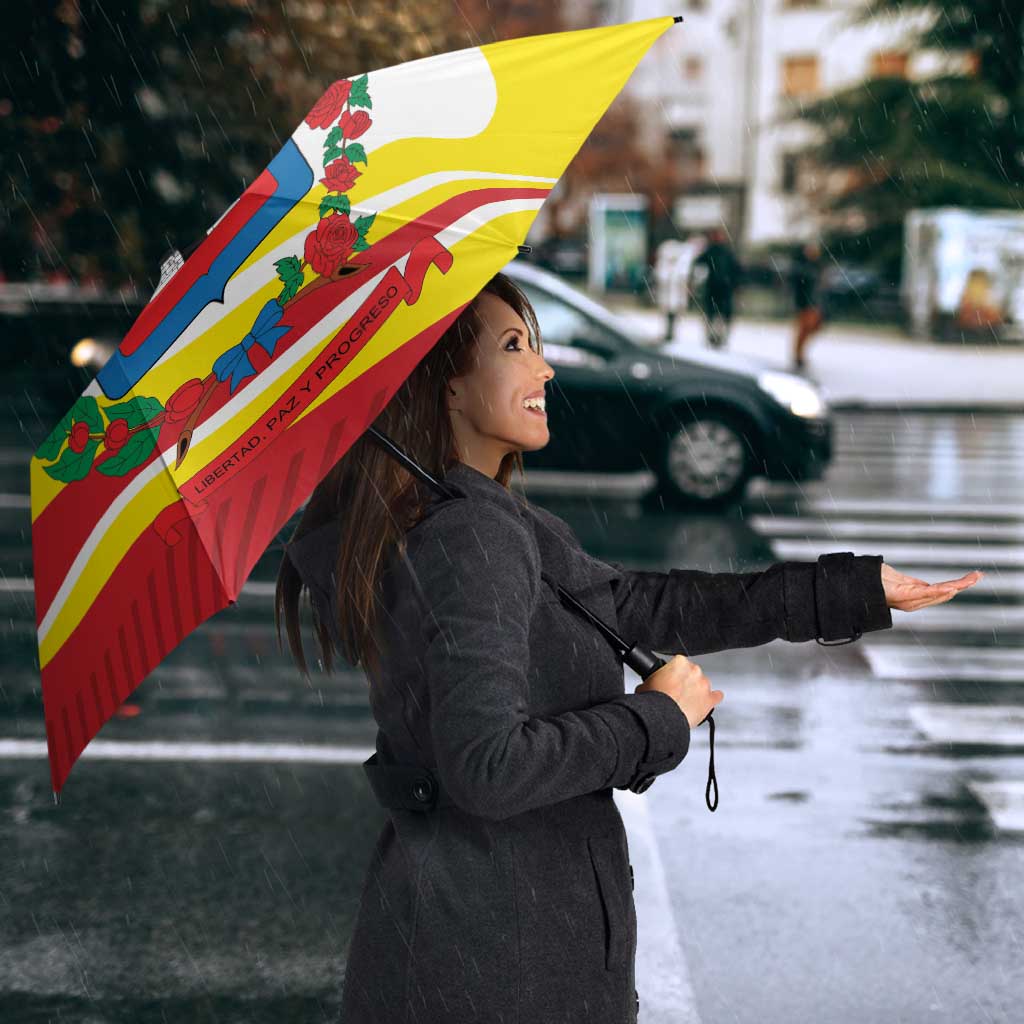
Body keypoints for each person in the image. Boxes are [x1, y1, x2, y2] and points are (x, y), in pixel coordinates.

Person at [275, 271, 975, 1024]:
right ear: (446, 386)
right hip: (499, 962)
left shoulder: (476, 517)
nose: (544, 368)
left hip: (480, 942)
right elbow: (487, 768)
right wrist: (656, 719)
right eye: (514, 346)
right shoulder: (469, 536)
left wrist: (850, 591)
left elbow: (639, 605)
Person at [692, 226, 742, 349]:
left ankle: (719, 337)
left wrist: (735, 284)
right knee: (713, 314)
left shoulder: (725, 252)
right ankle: (713, 337)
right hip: (715, 288)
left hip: (723, 288)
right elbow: (698, 264)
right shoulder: (712, 251)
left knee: (720, 315)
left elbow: (736, 270)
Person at [790, 239, 826, 370]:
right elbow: (799, 286)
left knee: (812, 328)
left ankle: (799, 354)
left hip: (814, 303)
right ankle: (798, 355)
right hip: (805, 303)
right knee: (804, 329)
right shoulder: (802, 267)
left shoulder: (817, 266)